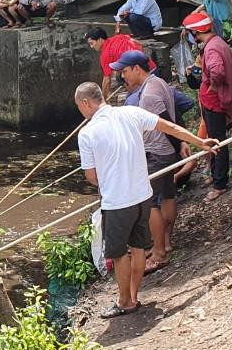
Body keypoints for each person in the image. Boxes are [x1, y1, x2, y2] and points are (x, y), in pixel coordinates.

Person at [75, 81, 216, 318]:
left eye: (79, 106)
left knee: (119, 253)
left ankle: (124, 301)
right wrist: (200, 142)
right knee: (139, 247)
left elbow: (91, 176)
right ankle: (134, 296)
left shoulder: (87, 133)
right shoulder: (131, 112)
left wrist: (111, 179)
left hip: (117, 202)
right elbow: (169, 126)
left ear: (86, 103)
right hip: (143, 196)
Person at [111, 50, 181, 272]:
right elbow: (174, 114)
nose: (123, 76)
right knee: (168, 193)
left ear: (137, 69)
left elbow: (166, 122)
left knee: (149, 202)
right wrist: (178, 147)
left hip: (158, 152)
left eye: (125, 71)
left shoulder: (148, 94)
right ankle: (166, 241)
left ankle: (159, 253)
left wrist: (177, 146)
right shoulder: (159, 82)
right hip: (167, 151)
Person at [184, 11, 232, 202]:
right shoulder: (218, 43)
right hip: (212, 100)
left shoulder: (212, 49)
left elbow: (218, 71)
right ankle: (215, 176)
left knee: (217, 143)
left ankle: (219, 184)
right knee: (214, 140)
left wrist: (213, 86)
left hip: (214, 102)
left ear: (196, 32)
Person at [85, 27, 156, 97]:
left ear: (100, 40)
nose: (91, 46)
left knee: (130, 99)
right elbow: (138, 44)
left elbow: (107, 81)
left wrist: (103, 100)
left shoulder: (105, 55)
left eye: (92, 43)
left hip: (144, 78)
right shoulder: (118, 37)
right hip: (152, 68)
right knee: (119, 76)